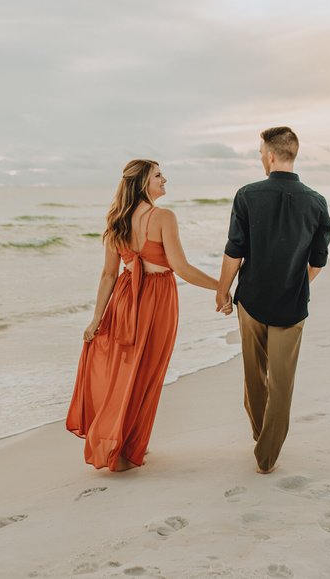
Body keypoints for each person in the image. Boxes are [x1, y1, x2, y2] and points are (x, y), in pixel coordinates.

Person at [66, 159, 227, 471]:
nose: (164, 179)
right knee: (148, 371)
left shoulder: (116, 220)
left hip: (125, 300)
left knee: (125, 372)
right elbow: (181, 268)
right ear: (143, 183)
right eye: (158, 175)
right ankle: (125, 449)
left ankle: (123, 442)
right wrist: (220, 287)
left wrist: (96, 319)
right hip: (157, 299)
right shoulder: (164, 217)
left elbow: (108, 276)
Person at [215, 127, 330, 475]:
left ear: (269, 155)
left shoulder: (248, 195)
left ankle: (260, 436)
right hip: (292, 305)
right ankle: (267, 456)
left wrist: (223, 290)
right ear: (292, 154)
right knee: (282, 382)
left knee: (254, 377)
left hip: (250, 300)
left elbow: (234, 251)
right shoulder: (316, 201)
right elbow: (317, 263)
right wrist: (294, 283)